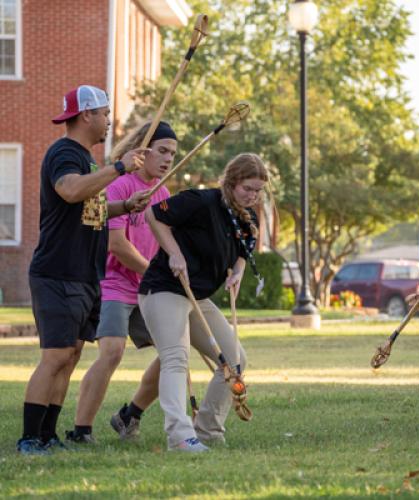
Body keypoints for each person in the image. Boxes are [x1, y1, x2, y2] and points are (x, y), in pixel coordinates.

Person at [17, 85, 149, 455]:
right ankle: (29, 438)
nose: (110, 120)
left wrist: (125, 205)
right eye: (105, 113)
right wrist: (120, 167)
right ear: (87, 114)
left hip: (84, 276)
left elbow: (91, 211)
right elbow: (70, 191)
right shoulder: (64, 153)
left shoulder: (88, 160)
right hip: (57, 273)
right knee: (56, 356)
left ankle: (48, 435)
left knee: (71, 356)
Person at [138, 152, 269, 452]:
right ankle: (180, 437)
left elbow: (244, 248)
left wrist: (237, 272)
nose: (252, 195)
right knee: (175, 357)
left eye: (258, 190)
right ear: (232, 181)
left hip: (197, 296)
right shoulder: (201, 202)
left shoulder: (248, 216)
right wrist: (174, 253)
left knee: (234, 361)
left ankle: (208, 431)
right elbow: (154, 215)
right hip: (164, 289)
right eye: (247, 188)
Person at [65, 121, 178, 443]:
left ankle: (130, 415)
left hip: (147, 287)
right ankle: (81, 431)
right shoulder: (119, 186)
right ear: (142, 151)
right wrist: (152, 271)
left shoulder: (163, 192)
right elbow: (117, 245)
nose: (168, 159)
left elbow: (165, 243)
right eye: (162, 151)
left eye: (173, 153)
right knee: (112, 352)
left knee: (174, 351)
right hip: (114, 284)